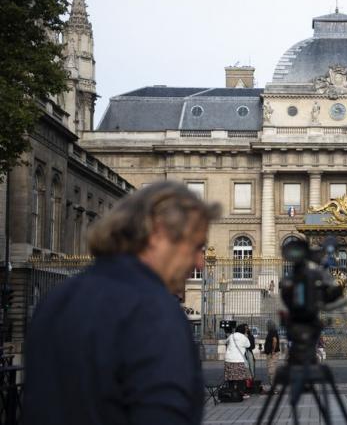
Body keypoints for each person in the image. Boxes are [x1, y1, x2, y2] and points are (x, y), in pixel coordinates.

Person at [23, 181, 220, 425]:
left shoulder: (55, 299)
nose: (200, 262)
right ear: (158, 233)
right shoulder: (153, 311)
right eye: (197, 246)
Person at [226, 324, 252, 400]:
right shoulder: (244, 337)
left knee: (230, 377)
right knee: (240, 378)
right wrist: (246, 337)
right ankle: (241, 393)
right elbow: (248, 345)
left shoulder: (232, 336)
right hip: (239, 360)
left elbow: (226, 341)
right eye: (246, 329)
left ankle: (231, 392)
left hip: (229, 359)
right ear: (243, 330)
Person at [263, 320, 280, 394]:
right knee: (271, 371)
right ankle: (273, 388)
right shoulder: (272, 332)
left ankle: (274, 389)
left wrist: (272, 351)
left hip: (272, 354)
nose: (266, 326)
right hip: (271, 353)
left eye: (267, 325)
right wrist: (265, 350)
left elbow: (275, 341)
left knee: (271, 371)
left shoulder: (272, 332)